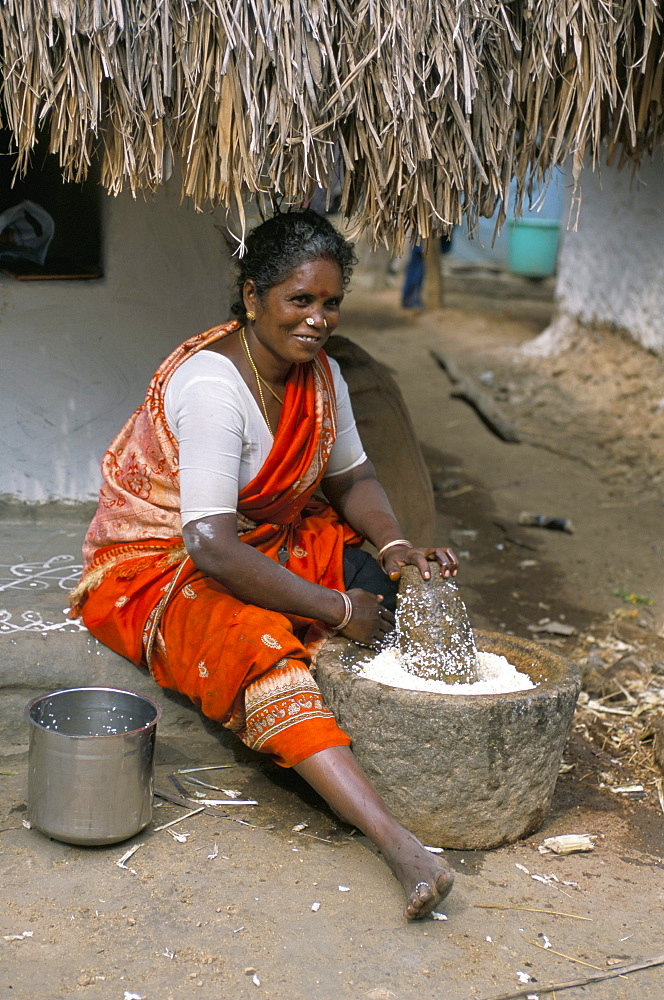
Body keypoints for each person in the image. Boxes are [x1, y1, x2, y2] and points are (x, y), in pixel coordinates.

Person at [70, 209, 459, 920]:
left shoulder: (322, 376)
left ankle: (369, 750)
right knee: (260, 649)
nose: (317, 319)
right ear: (253, 299)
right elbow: (212, 546)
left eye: (331, 302)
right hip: (163, 563)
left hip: (264, 535)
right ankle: (398, 844)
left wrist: (395, 544)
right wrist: (334, 609)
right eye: (299, 300)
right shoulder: (216, 388)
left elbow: (353, 480)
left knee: (377, 582)